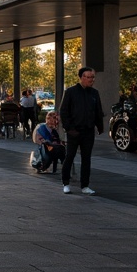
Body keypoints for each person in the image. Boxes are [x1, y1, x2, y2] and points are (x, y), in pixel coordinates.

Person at [59, 67, 104, 196]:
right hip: (74, 131)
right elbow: (64, 111)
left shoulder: (94, 93)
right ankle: (66, 183)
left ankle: (85, 185)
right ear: (82, 77)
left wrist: (99, 126)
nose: (91, 80)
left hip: (88, 131)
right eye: (89, 77)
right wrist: (69, 128)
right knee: (70, 156)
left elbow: (98, 110)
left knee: (86, 159)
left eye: (93, 77)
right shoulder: (70, 92)